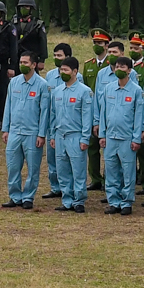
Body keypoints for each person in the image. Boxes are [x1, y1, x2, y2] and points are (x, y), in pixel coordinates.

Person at [97, 55, 143, 216]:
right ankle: (113, 201)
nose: (119, 70)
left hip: (127, 138)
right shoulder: (108, 88)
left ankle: (127, 202)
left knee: (128, 171)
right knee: (111, 171)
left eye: (123, 67)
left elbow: (139, 116)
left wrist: (136, 138)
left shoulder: (136, 91)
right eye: (117, 67)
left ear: (129, 70)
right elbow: (103, 112)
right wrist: (102, 134)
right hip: (110, 137)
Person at [0, 53, 48, 210]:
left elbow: (45, 111)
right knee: (13, 165)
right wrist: (5, 129)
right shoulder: (14, 82)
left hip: (32, 132)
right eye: (20, 62)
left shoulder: (42, 85)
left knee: (33, 167)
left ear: (34, 64)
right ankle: (15, 196)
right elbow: (8, 106)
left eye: (25, 62)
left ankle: (28, 196)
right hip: (15, 131)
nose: (22, 65)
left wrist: (42, 134)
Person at [48, 57, 95, 213]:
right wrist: (53, 136)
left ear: (75, 72)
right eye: (61, 70)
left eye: (66, 70)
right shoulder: (57, 91)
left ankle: (79, 200)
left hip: (76, 136)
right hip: (60, 135)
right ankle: (66, 199)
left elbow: (87, 117)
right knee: (62, 170)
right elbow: (53, 115)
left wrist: (85, 138)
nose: (63, 73)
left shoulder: (84, 91)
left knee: (78, 170)